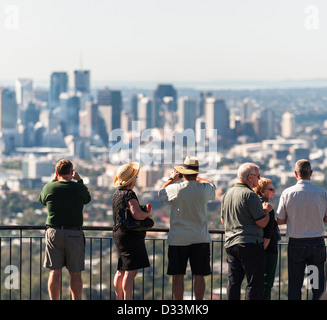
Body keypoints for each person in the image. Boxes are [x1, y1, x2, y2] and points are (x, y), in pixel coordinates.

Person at [158, 156, 216, 300]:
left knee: (178, 274)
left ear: (183, 173)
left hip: (178, 238)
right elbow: (212, 186)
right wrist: (198, 179)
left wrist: (172, 179)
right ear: (196, 173)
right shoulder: (204, 189)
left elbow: (161, 194)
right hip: (200, 237)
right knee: (199, 274)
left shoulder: (175, 188)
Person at [39, 159, 91, 300]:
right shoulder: (79, 188)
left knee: (54, 272)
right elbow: (87, 199)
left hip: (54, 233)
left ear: (57, 173)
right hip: (74, 233)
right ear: (71, 172)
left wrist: (53, 180)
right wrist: (79, 180)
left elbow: (42, 200)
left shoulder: (50, 187)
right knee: (75, 273)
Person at [276, 159, 327, 300]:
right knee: (316, 285)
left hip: (296, 244)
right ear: (311, 173)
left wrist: (292, 218)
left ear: (295, 173)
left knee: (295, 284)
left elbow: (279, 220)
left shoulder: (287, 193)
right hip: (317, 244)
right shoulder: (322, 193)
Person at [220, 162, 271, 300]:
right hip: (250, 244)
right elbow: (262, 222)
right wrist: (266, 211)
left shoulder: (227, 194)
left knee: (233, 282)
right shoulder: (250, 195)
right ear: (250, 177)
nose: (259, 179)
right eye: (258, 176)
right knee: (255, 282)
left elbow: (223, 220)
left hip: (231, 243)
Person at [112, 162, 152, 300]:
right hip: (129, 235)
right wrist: (147, 214)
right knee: (130, 270)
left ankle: (119, 298)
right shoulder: (129, 194)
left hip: (118, 233)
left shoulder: (117, 194)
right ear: (132, 180)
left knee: (121, 269)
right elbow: (136, 214)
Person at [253, 177, 280, 300]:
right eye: (271, 189)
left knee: (256, 284)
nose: (274, 191)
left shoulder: (254, 204)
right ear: (262, 192)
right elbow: (268, 234)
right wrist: (262, 251)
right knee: (267, 284)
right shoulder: (267, 208)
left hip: (256, 247)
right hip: (268, 250)